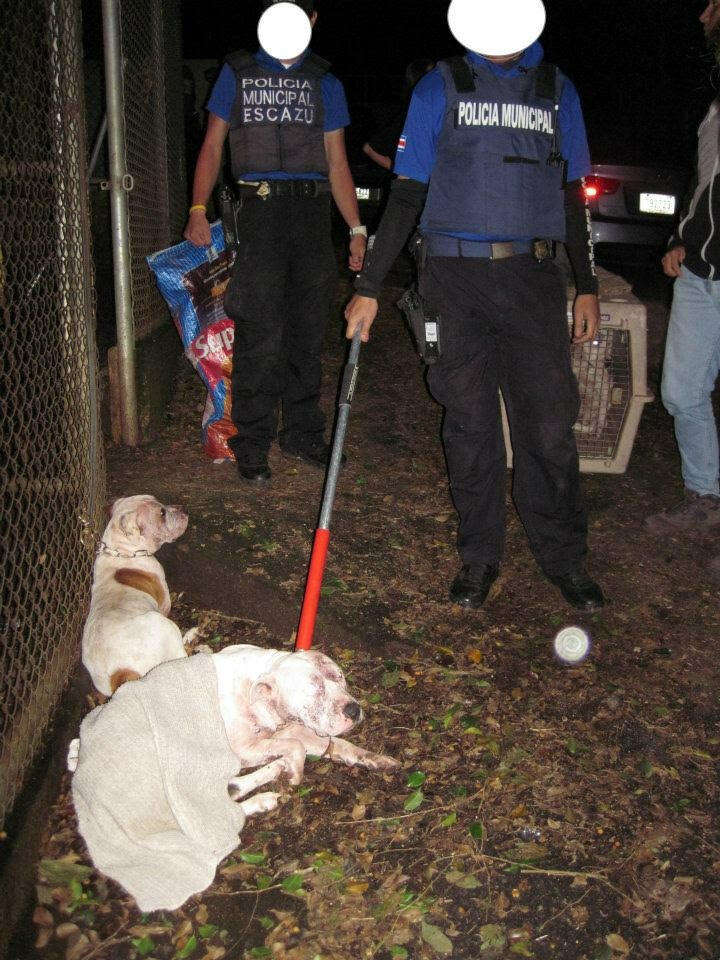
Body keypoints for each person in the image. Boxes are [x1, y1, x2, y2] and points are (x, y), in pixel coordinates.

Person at [345, 0, 605, 611]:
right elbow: (405, 192)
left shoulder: (556, 90)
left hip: (533, 279)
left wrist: (585, 282)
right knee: (468, 423)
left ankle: (564, 558)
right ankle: (479, 557)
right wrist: (369, 287)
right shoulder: (441, 87)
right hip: (452, 280)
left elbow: (574, 194)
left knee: (546, 422)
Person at [184, 0, 367, 485]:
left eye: (304, 13)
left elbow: (338, 161)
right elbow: (212, 145)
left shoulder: (325, 80)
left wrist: (356, 229)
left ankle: (304, 435)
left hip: (310, 214)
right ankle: (253, 441)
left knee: (307, 330)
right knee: (261, 330)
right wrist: (198, 209)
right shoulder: (238, 73)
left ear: (313, 21)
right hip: (257, 212)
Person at [644, 0, 720, 578]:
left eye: (713, 7)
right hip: (700, 273)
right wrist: (683, 238)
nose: (703, 18)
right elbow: (705, 187)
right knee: (680, 391)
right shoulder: (715, 107)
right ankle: (705, 498)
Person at [362, 59, 436, 173]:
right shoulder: (410, 115)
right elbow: (371, 148)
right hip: (416, 187)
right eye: (432, 75)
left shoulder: (437, 112)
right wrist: (404, 170)